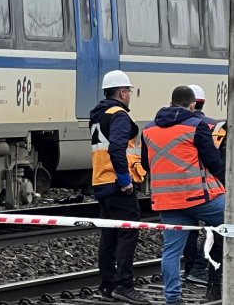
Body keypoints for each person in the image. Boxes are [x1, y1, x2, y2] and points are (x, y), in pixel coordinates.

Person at [142, 86, 226, 305]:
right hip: (200, 198)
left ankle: (173, 299)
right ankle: (218, 284)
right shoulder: (196, 126)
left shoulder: (149, 129)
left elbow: (145, 164)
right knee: (229, 224)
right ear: (192, 105)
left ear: (171, 102)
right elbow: (214, 163)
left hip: (167, 202)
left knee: (170, 251)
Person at [89, 70, 150, 305]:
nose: (130, 96)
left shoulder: (98, 115)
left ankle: (107, 285)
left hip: (101, 180)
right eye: (129, 91)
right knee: (128, 231)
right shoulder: (120, 115)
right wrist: (125, 180)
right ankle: (124, 285)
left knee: (109, 234)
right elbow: (117, 148)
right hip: (117, 183)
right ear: (123, 92)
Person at [180, 85, 214, 286]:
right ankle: (201, 268)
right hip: (210, 186)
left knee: (189, 229)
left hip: (185, 186)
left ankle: (191, 268)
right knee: (215, 228)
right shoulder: (214, 125)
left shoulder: (179, 126)